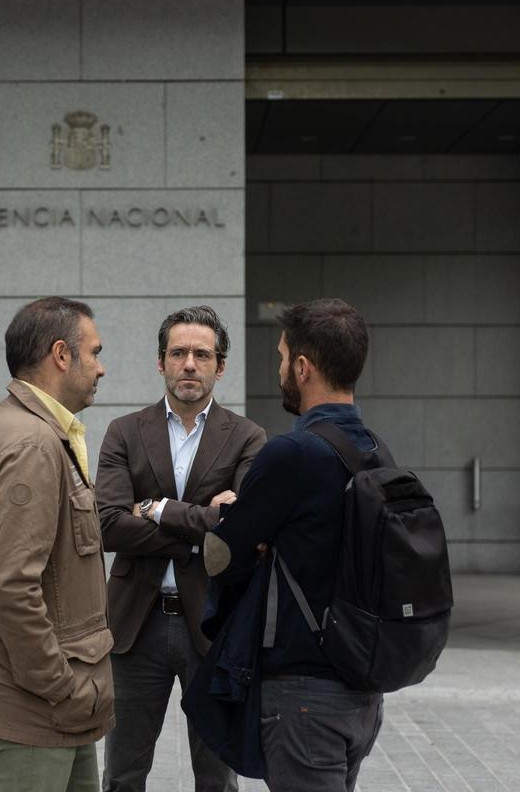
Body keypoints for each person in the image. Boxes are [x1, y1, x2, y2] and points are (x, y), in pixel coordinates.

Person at [202, 298, 384, 792]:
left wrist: (227, 518)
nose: (279, 367)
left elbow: (220, 557)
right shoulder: (373, 450)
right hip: (362, 692)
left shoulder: (293, 453)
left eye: (282, 357)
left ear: (303, 368)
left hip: (304, 695)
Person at [96, 306, 265, 792]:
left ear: (220, 365)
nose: (189, 363)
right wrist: (202, 524)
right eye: (178, 353)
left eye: (201, 354)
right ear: (160, 362)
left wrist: (153, 507)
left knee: (217, 777)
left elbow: (240, 531)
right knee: (123, 774)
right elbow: (108, 526)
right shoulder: (124, 433)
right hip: (136, 623)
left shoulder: (248, 437)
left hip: (211, 626)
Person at [0, 296, 113, 792]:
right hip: (37, 707)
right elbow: (8, 585)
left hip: (57, 708)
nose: (101, 368)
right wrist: (61, 686)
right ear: (61, 355)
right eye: (95, 352)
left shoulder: (41, 433)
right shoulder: (33, 445)